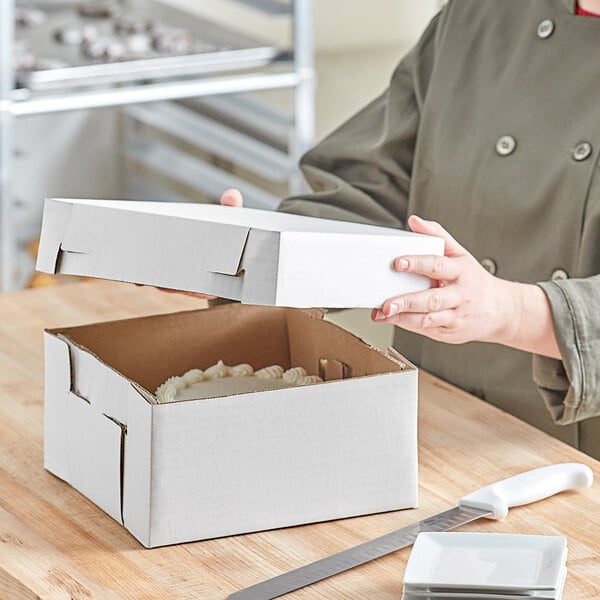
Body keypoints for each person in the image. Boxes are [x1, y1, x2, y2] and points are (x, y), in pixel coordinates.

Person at [218, 0, 600, 459]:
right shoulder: (483, 11)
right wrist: (256, 262)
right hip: (435, 424)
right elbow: (373, 188)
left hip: (582, 467)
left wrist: (511, 312)